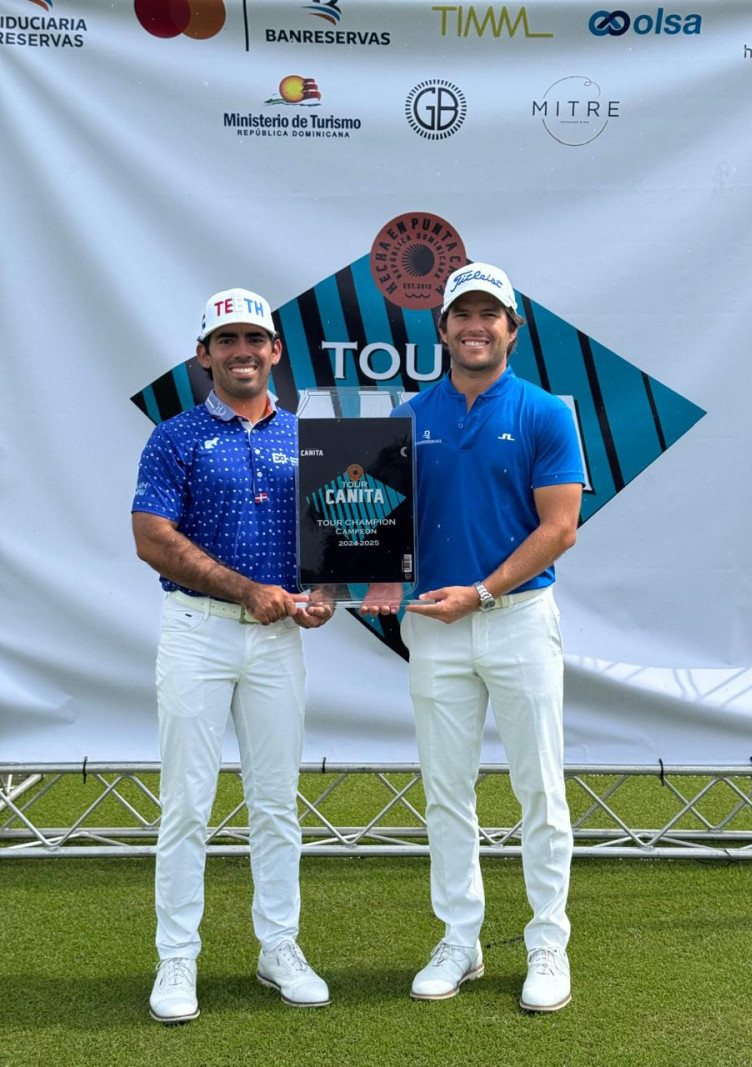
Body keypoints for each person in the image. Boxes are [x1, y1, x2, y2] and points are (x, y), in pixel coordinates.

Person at [362, 263, 584, 1012]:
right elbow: (386, 530)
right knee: (447, 792)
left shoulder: (546, 413)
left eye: (491, 315)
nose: (476, 326)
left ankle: (547, 942)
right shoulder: (408, 416)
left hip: (518, 620)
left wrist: (486, 591)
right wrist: (378, 575)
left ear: (513, 330)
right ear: (444, 330)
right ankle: (461, 939)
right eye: (463, 315)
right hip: (436, 629)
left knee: (539, 790)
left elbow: (561, 528)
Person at [132, 287, 333, 1024]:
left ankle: (278, 944)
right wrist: (247, 588)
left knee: (276, 801)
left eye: (256, 338)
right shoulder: (176, 437)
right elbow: (153, 537)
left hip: (278, 637)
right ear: (203, 354)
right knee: (187, 800)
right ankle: (177, 954)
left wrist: (327, 591)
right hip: (198, 629)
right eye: (227, 340)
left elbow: (337, 531)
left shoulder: (309, 437)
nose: (242, 350)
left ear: (276, 350)